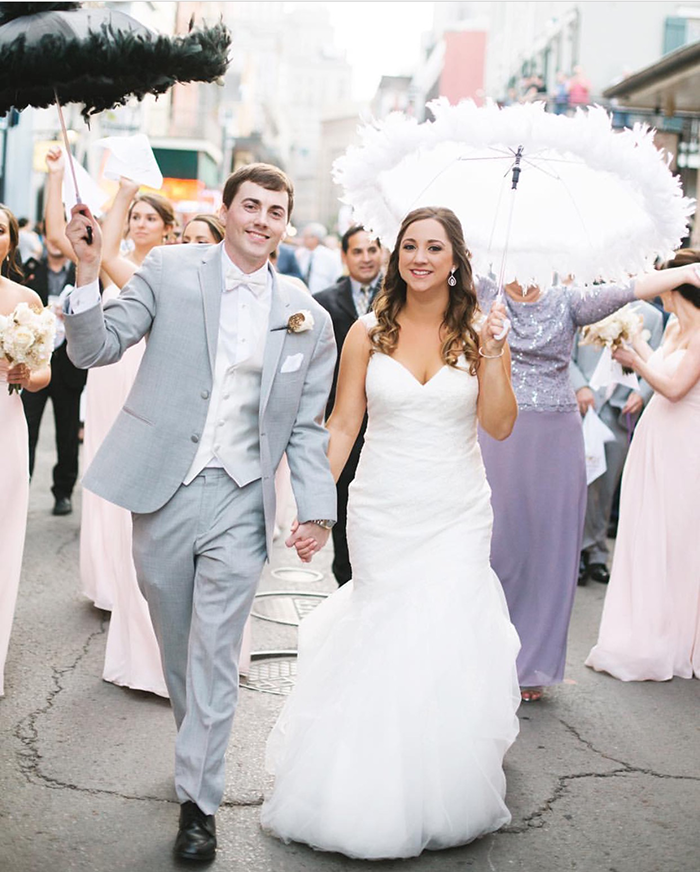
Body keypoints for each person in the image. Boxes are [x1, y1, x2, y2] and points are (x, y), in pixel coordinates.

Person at [63, 162, 337, 863]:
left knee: (216, 653)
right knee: (180, 645)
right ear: (228, 207)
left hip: (243, 499)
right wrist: (89, 269)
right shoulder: (172, 271)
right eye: (252, 206)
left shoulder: (308, 313)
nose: (262, 220)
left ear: (284, 223)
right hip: (166, 488)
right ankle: (198, 746)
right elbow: (94, 347)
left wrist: (316, 510)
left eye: (276, 212)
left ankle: (199, 803)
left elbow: (307, 426)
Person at [262, 207, 521, 860]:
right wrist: (317, 506)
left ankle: (440, 789)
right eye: (409, 245)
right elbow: (344, 424)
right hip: (381, 508)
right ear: (396, 255)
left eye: (435, 247)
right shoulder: (368, 331)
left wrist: (492, 358)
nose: (420, 256)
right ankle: (370, 789)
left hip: (458, 510)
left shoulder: (483, 332)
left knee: (442, 635)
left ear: (456, 259)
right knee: (385, 632)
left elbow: (499, 426)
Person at [477, 263, 700, 703]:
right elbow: (440, 272)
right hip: (498, 426)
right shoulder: (485, 291)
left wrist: (686, 272)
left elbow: (630, 289)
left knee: (550, 547)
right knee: (496, 541)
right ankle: (481, 651)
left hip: (557, 433)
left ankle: (533, 665)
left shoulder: (568, 301)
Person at [586, 250, 700, 681]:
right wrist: (628, 339)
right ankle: (650, 628)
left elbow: (673, 386)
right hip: (656, 438)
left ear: (676, 287)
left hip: (686, 445)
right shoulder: (673, 325)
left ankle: (676, 638)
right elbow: (658, 365)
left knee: (678, 538)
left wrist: (636, 362)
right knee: (648, 529)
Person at [571, 301, 664, 584]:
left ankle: (597, 554)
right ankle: (575, 555)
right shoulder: (586, 304)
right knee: (578, 484)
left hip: (619, 409)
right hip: (584, 407)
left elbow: (659, 360)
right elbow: (568, 355)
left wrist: (644, 394)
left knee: (607, 485)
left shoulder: (651, 316)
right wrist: (581, 387)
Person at [0, 204, 51, 696]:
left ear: (11, 242)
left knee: (3, 532)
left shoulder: (26, 300)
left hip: (5, 423)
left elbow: (43, 375)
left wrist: (23, 375)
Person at [314, 224, 383, 585]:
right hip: (341, 418)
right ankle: (345, 581)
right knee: (343, 504)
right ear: (345, 257)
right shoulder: (323, 301)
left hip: (387, 420)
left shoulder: (401, 296)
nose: (366, 258)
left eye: (372, 250)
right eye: (357, 251)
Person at [20, 232, 82, 517]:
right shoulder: (31, 272)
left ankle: (63, 492)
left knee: (67, 433)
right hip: (33, 364)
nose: (57, 243)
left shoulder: (82, 273)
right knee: (26, 430)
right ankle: (22, 487)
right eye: (52, 236)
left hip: (69, 365)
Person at [294, 222, 342, 294]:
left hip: (324, 298)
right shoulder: (302, 255)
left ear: (315, 238)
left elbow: (337, 279)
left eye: (306, 236)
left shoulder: (330, 256)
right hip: (304, 296)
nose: (303, 239)